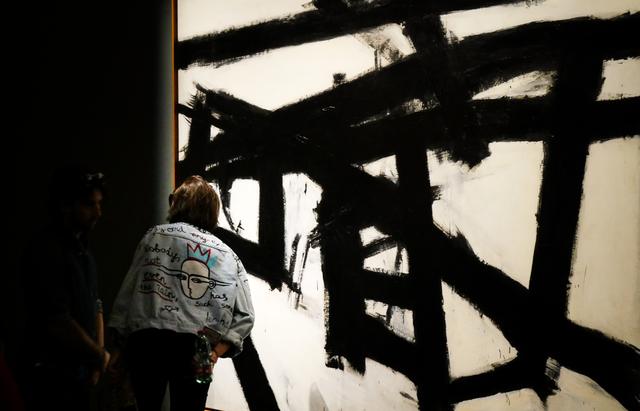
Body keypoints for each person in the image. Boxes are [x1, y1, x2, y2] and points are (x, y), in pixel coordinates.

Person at [107, 175, 255, 411]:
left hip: (147, 342)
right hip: (198, 348)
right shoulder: (230, 256)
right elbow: (246, 315)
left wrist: (117, 347)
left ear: (177, 203)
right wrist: (215, 352)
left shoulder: (155, 236)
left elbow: (128, 295)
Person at [15, 165, 110, 411]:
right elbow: (56, 320)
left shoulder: (84, 252)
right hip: (52, 380)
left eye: (99, 204)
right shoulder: (47, 251)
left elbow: (96, 304)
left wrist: (97, 358)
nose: (98, 212)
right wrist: (98, 355)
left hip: (80, 378)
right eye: (89, 205)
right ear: (65, 206)